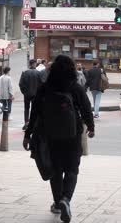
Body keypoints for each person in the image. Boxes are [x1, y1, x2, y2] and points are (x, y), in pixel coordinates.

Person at [23, 55, 95, 223]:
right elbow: (86, 108)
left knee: (55, 170)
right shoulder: (75, 88)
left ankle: (57, 203)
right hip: (72, 134)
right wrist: (90, 127)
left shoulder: (45, 87)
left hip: (49, 135)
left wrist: (28, 135)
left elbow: (34, 113)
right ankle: (66, 199)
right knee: (71, 169)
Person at [19, 59, 42, 130]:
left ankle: (26, 123)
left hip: (27, 94)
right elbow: (41, 84)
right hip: (35, 94)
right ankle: (33, 123)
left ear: (29, 64)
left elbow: (20, 84)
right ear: (34, 64)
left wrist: (24, 92)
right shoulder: (38, 73)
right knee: (34, 109)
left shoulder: (24, 73)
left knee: (26, 109)